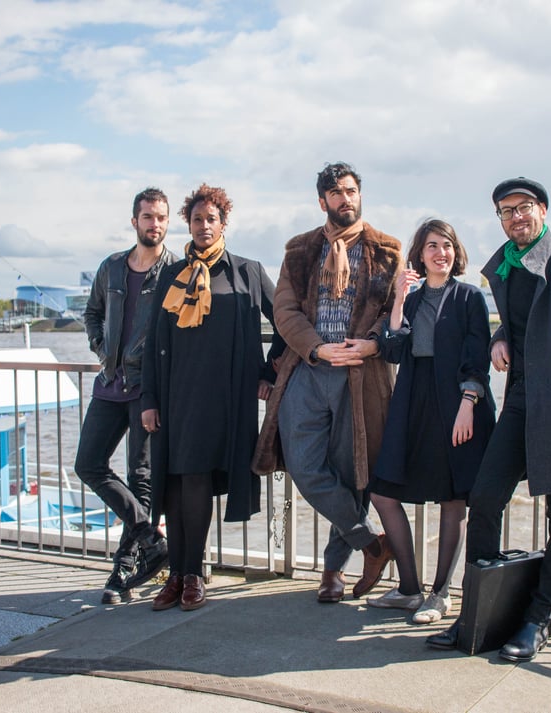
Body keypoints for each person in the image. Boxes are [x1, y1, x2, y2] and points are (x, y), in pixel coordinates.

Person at [426, 177, 551, 661]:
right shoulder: (506, 271)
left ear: (543, 211)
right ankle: (476, 616)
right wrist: (498, 338)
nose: (515, 217)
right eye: (505, 211)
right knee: (486, 497)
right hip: (519, 401)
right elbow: (515, 327)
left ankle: (537, 619)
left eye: (523, 207)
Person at [254, 162, 402, 604]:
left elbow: (393, 311)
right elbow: (284, 312)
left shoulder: (388, 250)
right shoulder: (300, 250)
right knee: (303, 465)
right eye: (336, 193)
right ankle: (371, 544)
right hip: (309, 367)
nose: (345, 199)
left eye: (351, 191)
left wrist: (371, 343)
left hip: (361, 376)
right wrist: (317, 348)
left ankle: (332, 571)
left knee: (353, 473)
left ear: (361, 194)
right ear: (322, 201)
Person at [141, 183, 278, 612]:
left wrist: (269, 371)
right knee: (176, 485)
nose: (204, 226)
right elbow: (152, 341)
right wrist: (149, 399)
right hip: (176, 393)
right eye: (197, 219)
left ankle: (192, 574)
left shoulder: (247, 272)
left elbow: (288, 321)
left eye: (211, 219)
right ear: (189, 223)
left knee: (197, 478)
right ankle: (179, 575)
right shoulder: (170, 274)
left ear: (224, 223)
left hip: (223, 400)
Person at [367, 219, 495, 623]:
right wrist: (400, 301)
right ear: (419, 255)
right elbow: (392, 351)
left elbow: (477, 358)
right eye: (432, 246)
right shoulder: (413, 299)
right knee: (383, 491)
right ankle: (409, 587)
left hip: (458, 402)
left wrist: (468, 403)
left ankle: (440, 594)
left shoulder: (470, 298)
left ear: (456, 253)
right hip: (414, 402)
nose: (441, 252)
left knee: (452, 499)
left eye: (448, 245)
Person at [75, 187, 177, 605]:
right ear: (134, 220)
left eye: (161, 218)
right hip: (110, 381)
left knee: (141, 476)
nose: (155, 224)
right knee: (88, 464)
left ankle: (124, 567)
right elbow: (92, 313)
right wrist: (102, 350)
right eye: (148, 217)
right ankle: (150, 538)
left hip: (148, 386)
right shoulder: (112, 267)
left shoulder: (176, 270)